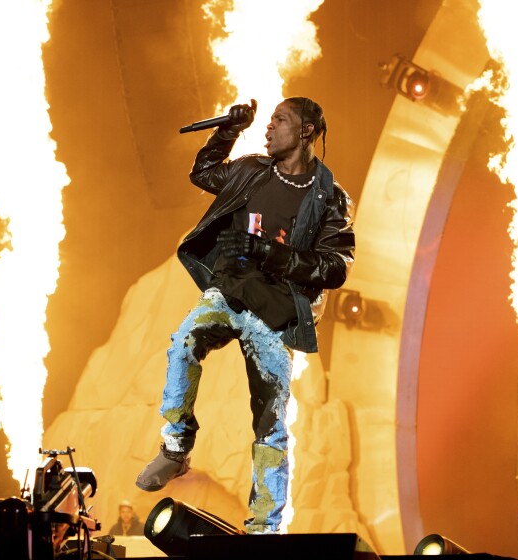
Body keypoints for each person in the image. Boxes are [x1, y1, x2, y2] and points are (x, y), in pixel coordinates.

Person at [135, 97, 355, 534]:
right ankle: (176, 449)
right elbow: (202, 173)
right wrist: (228, 131)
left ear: (307, 132)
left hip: (273, 314)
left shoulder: (330, 197)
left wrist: (269, 253)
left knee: (270, 423)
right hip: (228, 293)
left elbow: (334, 267)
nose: (269, 128)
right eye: (268, 120)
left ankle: (264, 528)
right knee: (183, 344)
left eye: (280, 121)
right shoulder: (251, 170)